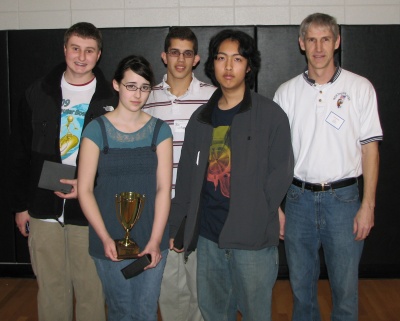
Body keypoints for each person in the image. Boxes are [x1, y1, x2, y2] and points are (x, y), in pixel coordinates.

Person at [169, 29, 294, 321]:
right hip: (209, 237)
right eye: (221, 58)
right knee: (213, 312)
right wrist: (178, 225)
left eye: (237, 59)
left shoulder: (271, 115)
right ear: (212, 64)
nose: (228, 67)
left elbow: (281, 173)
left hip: (252, 241)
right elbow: (186, 179)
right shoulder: (201, 120)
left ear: (248, 66)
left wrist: (258, 214)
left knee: (255, 313)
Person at [273, 13, 383, 321]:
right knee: (301, 293)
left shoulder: (359, 88)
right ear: (301, 44)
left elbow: (370, 149)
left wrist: (368, 205)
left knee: (345, 293)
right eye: (311, 39)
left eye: (325, 39)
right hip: (297, 201)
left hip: (344, 201)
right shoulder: (286, 92)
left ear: (337, 42)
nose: (318, 47)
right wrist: (275, 206)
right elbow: (276, 156)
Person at [8, 22, 117, 321]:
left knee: (91, 291)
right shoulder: (37, 92)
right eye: (75, 48)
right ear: (64, 49)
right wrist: (20, 206)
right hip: (43, 209)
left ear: (99, 54)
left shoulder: (112, 99)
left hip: (90, 211)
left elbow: (119, 161)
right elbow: (19, 153)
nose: (81, 56)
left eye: (89, 50)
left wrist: (88, 184)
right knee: (52, 289)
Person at [77, 55, 173, 321]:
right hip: (108, 239)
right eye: (131, 86)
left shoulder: (160, 131)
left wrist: (156, 241)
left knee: (145, 311)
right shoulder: (96, 130)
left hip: (151, 239)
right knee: (120, 312)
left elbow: (164, 188)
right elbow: (84, 190)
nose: (138, 94)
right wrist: (106, 238)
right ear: (117, 85)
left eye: (144, 87)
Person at [143, 26, 215, 321]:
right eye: (175, 52)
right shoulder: (146, 98)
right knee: (170, 290)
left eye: (187, 53)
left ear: (196, 59)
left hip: (201, 208)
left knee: (203, 291)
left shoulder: (213, 98)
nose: (181, 60)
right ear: (164, 56)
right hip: (162, 207)